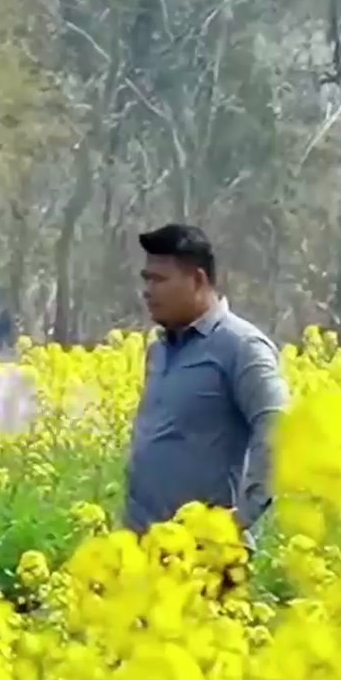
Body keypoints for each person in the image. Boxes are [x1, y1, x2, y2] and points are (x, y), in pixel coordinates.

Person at [125, 224, 288, 536]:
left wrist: (241, 519)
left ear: (198, 280)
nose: (147, 290)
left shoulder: (241, 346)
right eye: (146, 279)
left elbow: (277, 427)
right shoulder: (159, 351)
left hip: (207, 550)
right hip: (147, 546)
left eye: (159, 280)